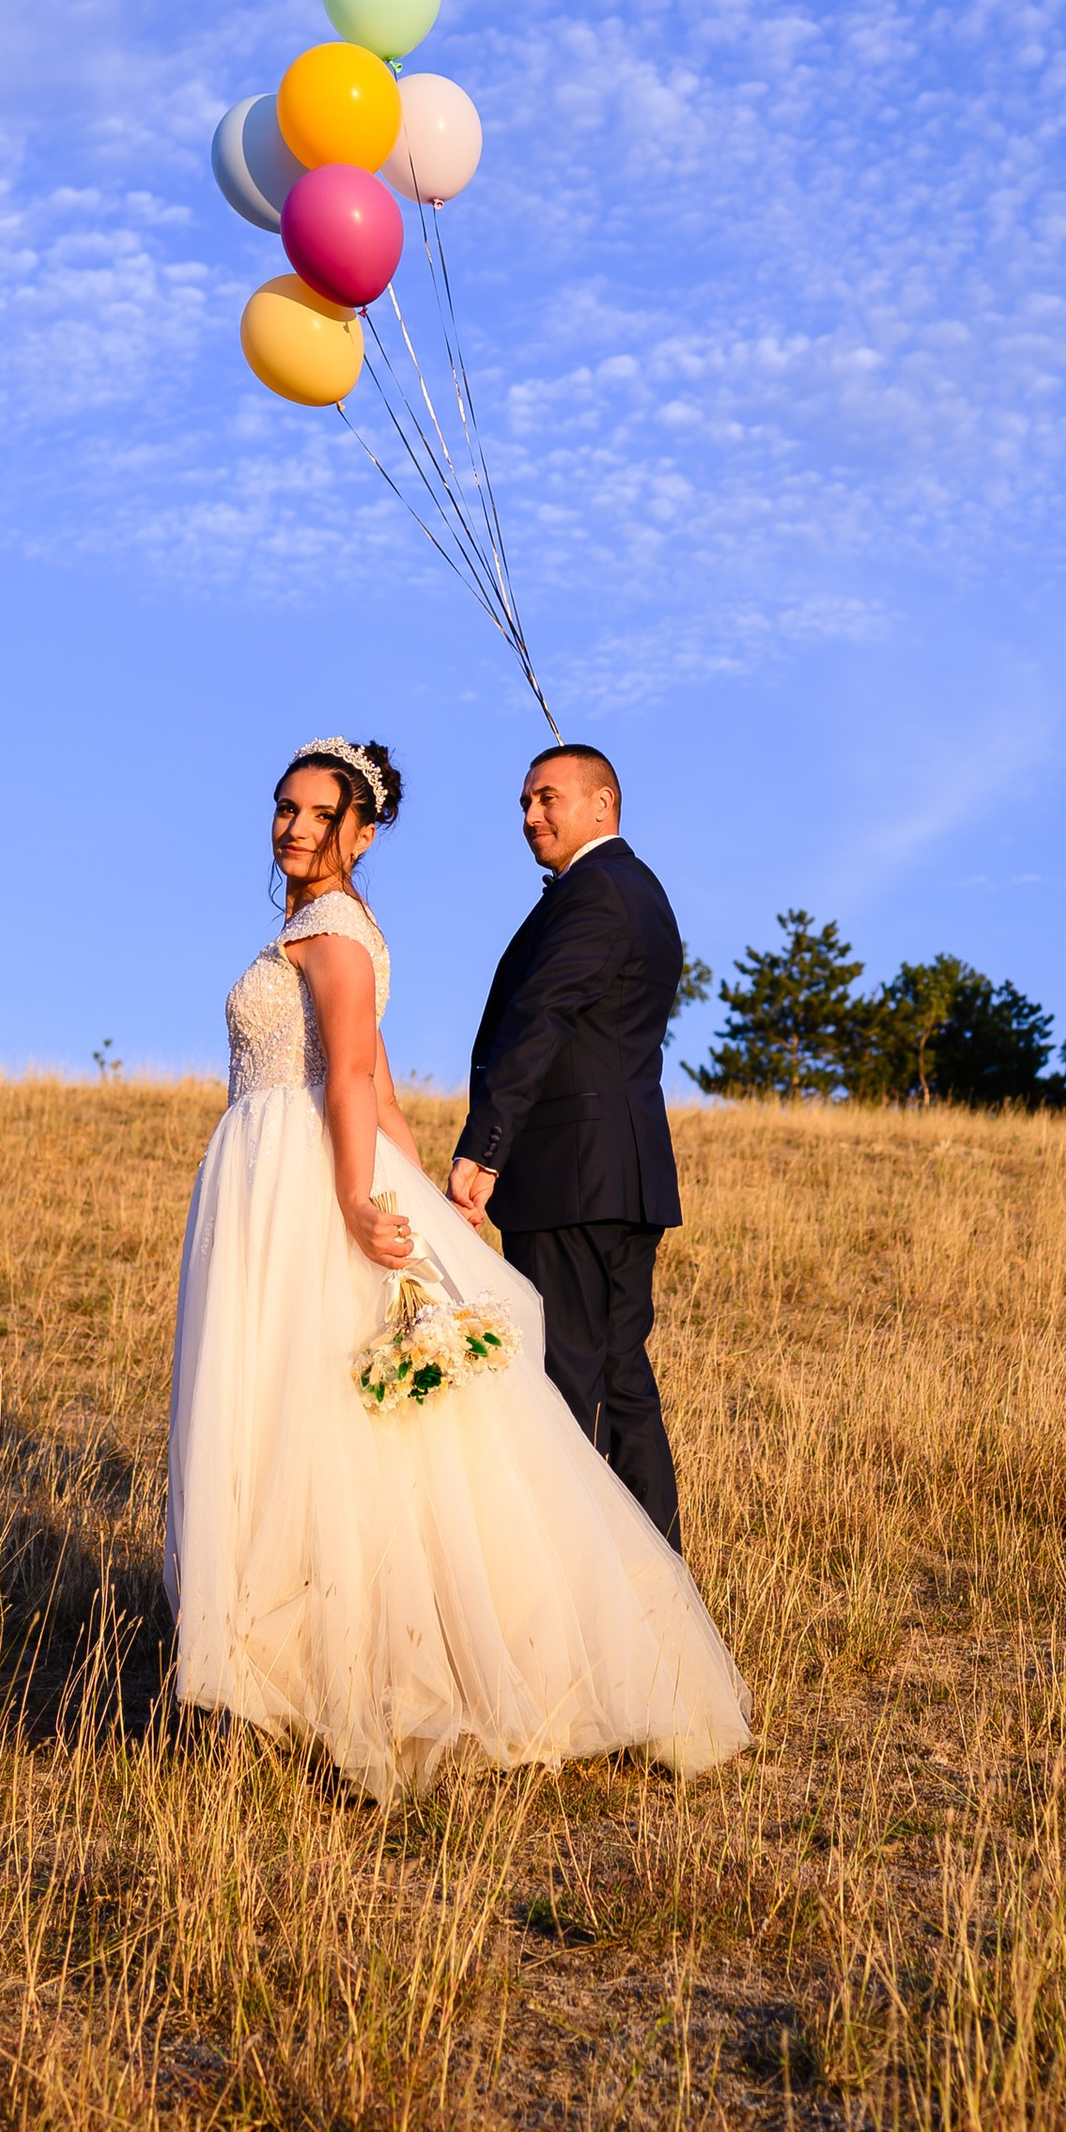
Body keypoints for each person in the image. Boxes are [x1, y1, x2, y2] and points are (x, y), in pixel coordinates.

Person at [165, 739, 747, 1796]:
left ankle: (537, 1640)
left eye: (316, 812)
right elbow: (383, 1089)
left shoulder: (341, 934)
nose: (293, 826)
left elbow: (354, 1077)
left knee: (355, 1425)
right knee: (334, 1421)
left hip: (315, 1178)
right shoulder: (325, 927)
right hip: (284, 1174)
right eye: (283, 808)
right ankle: (294, 1664)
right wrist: (432, 1203)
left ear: (360, 829)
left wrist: (366, 1197)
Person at [448, 744, 688, 1545]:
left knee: (567, 1388)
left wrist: (484, 1149)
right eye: (524, 803)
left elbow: (539, 1019)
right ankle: (656, 1595)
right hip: (618, 1178)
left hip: (571, 1178)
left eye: (548, 798)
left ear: (602, 802)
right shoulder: (636, 889)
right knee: (620, 1386)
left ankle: (587, 1592)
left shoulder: (596, 894)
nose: (530, 817)